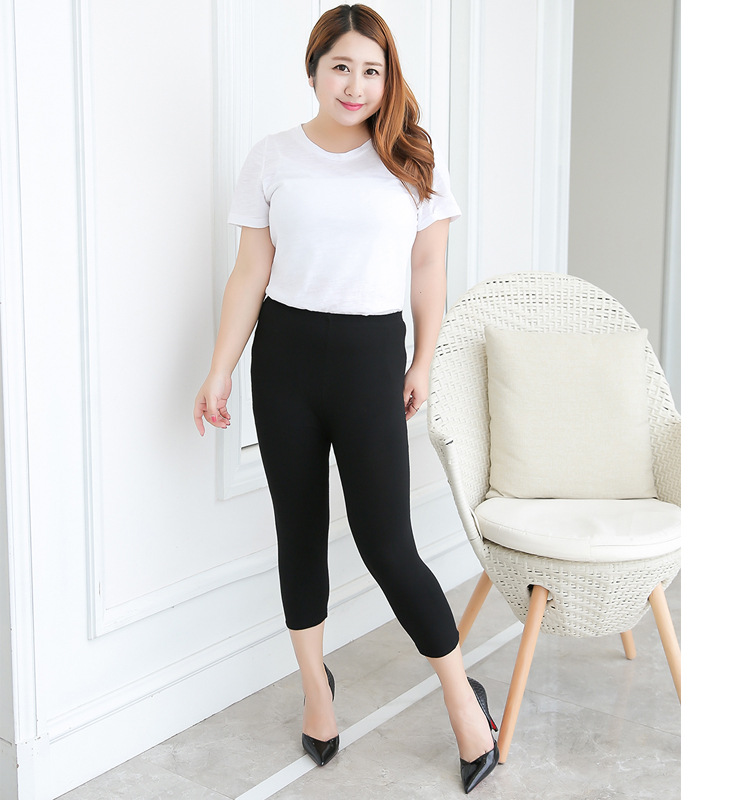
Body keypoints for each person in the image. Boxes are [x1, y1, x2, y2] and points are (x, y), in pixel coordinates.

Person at [193, 4, 499, 793]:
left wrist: (423, 359)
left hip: (370, 361)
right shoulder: (272, 157)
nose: (356, 85)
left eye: (371, 70)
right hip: (285, 361)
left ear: (387, 77)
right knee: (298, 534)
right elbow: (250, 272)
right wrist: (221, 368)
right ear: (314, 70)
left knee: (387, 543)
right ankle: (316, 692)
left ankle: (461, 699)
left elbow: (428, 269)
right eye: (341, 67)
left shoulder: (411, 158)